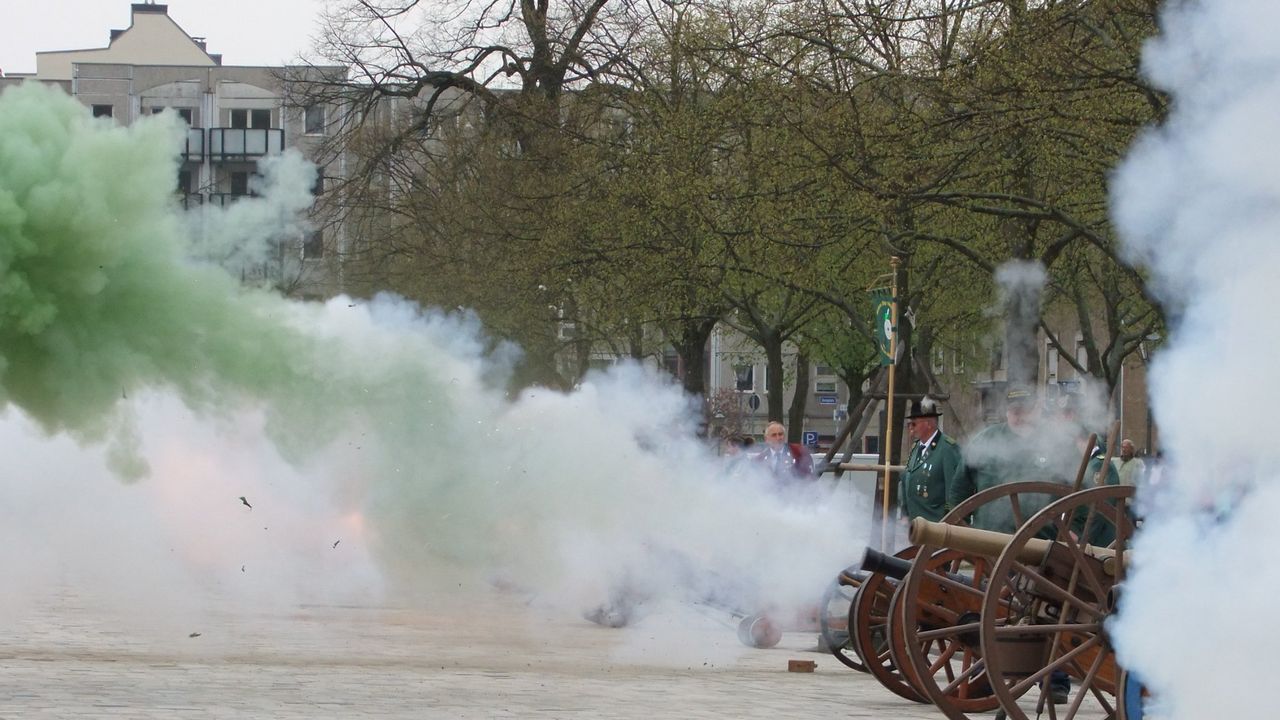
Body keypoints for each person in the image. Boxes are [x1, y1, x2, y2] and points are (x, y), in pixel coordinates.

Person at [949, 385, 1078, 533]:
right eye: (1015, 411)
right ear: (1007, 412)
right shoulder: (985, 441)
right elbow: (959, 492)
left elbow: (1080, 491)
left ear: (1037, 409)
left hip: (1042, 546)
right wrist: (962, 531)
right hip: (987, 543)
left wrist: (1074, 530)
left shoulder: (1057, 443)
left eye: (1025, 410)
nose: (1020, 417)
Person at [898, 396, 966, 522]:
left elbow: (954, 492)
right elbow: (906, 478)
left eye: (914, 423)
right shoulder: (916, 447)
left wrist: (947, 522)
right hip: (917, 525)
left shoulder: (947, 449)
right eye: (909, 424)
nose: (910, 428)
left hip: (936, 525)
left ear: (928, 423)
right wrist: (905, 513)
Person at [755, 421, 814, 488]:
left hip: (796, 495)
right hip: (768, 497)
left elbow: (809, 479)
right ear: (766, 439)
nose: (778, 438)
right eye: (774, 435)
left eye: (780, 434)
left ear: (785, 436)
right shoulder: (759, 459)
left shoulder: (799, 452)